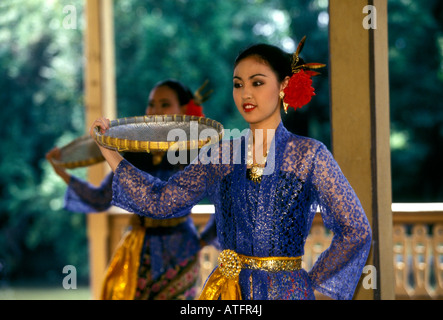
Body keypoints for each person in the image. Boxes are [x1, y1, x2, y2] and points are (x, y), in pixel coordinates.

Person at [90, 38, 372, 300]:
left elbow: (356, 229)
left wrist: (312, 286)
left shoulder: (309, 155)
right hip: (227, 292)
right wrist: (108, 150)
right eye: (238, 84)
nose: (245, 93)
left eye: (257, 83)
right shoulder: (220, 155)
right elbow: (162, 201)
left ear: (284, 85)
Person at [47, 79, 217, 300]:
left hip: (182, 251)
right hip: (139, 250)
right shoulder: (135, 154)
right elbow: (100, 199)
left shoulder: (195, 154)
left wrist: (205, 239)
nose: (155, 110)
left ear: (183, 109)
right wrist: (62, 173)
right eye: (151, 104)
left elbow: (226, 202)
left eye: (164, 104)